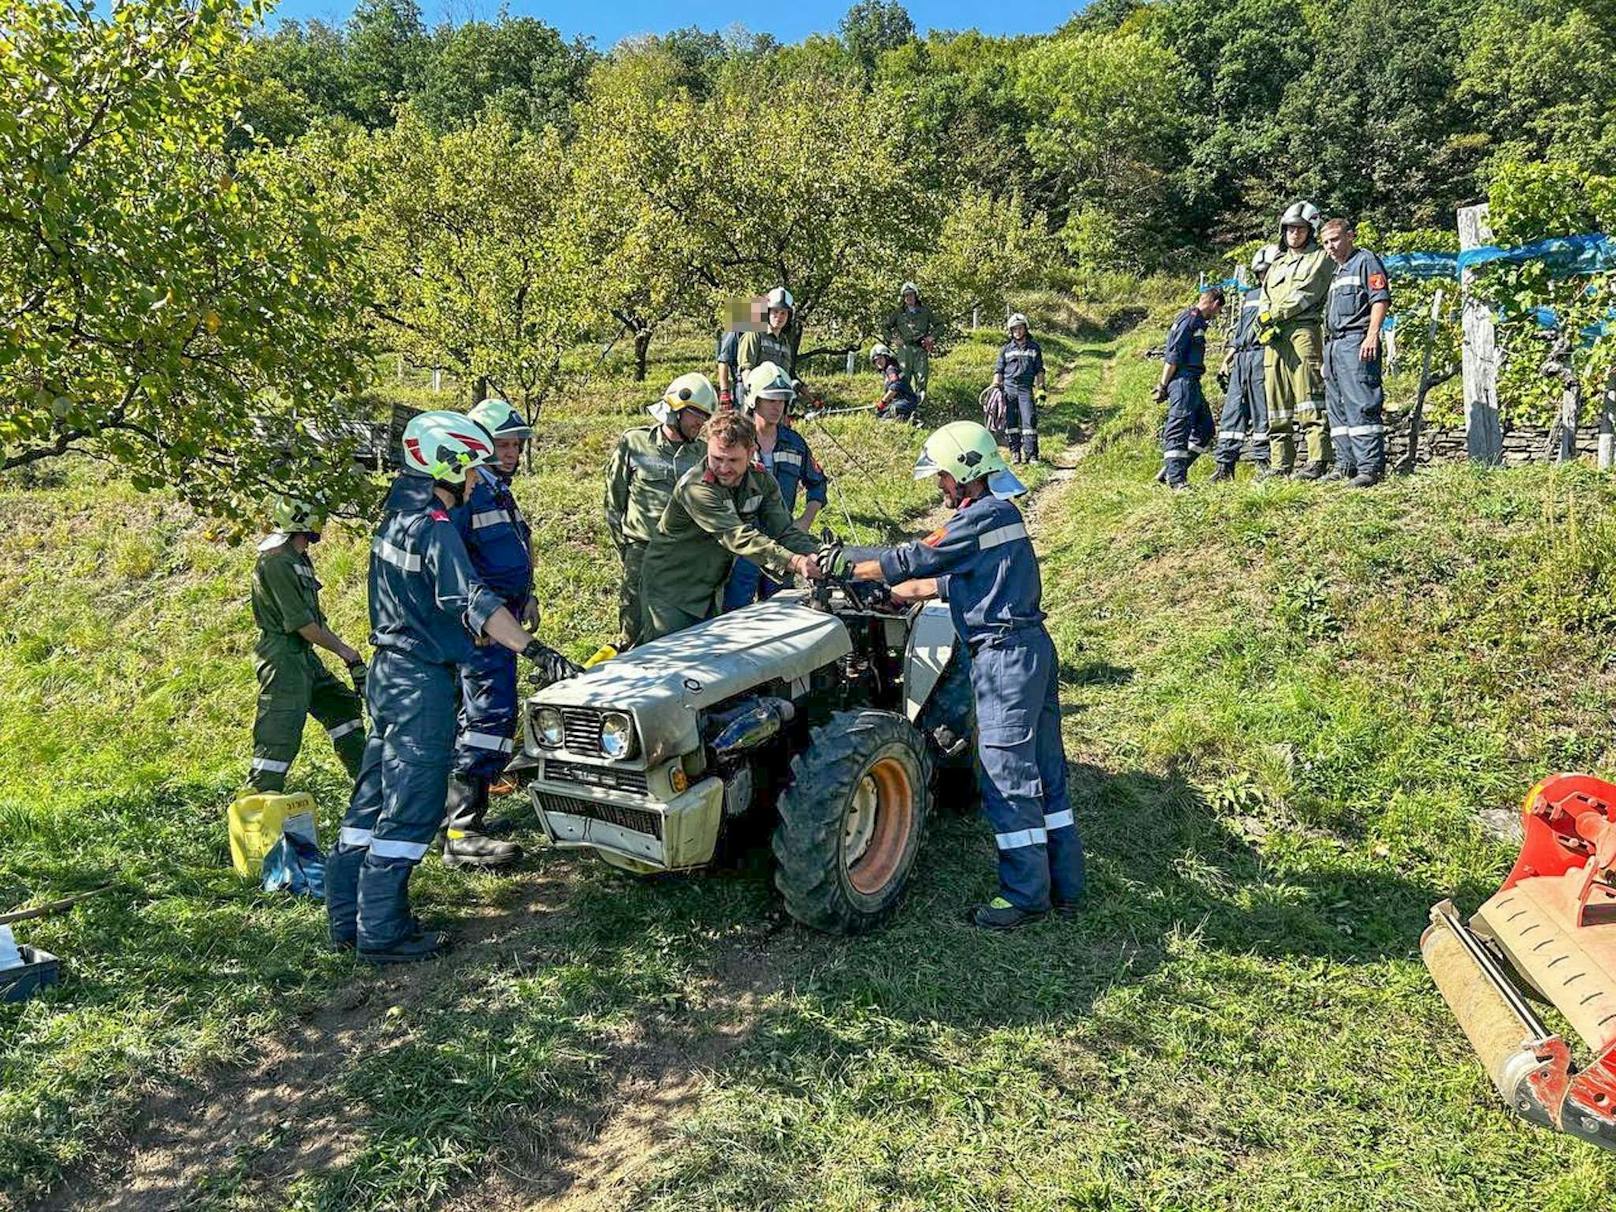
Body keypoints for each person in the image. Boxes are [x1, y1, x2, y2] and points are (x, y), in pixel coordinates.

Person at [326, 410, 578, 964]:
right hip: (420, 682)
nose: (473, 482)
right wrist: (534, 650)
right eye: (469, 471)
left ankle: (347, 915)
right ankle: (384, 932)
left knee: (370, 797)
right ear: (449, 467)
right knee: (413, 806)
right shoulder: (434, 529)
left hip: (389, 673)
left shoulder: (396, 513)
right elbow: (474, 601)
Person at [820, 421, 1084, 930]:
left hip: (1004, 658)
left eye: (942, 476)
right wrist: (905, 594)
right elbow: (950, 577)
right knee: (1046, 770)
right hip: (1031, 650)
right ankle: (1065, 885)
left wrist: (844, 562)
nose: (940, 486)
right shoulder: (1001, 516)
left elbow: (912, 557)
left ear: (965, 472)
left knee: (1007, 776)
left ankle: (1025, 896)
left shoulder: (976, 518)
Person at [442, 397, 537, 871]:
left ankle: (460, 817)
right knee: (486, 722)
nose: (511, 453)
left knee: (482, 719)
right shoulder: (470, 495)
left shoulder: (498, 490)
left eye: (516, 445)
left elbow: (516, 547)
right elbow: (455, 572)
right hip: (484, 631)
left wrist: (530, 597)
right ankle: (462, 829)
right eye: (502, 444)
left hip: (506, 621)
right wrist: (478, 620)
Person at [638, 410, 824, 643]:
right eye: (717, 458)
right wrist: (796, 562)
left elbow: (784, 530)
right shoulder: (697, 487)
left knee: (708, 664)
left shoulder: (761, 481)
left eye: (733, 460)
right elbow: (737, 536)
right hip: (672, 593)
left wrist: (817, 555)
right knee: (669, 665)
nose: (723, 468)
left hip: (710, 589)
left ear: (751, 452)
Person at [246, 493, 367, 793]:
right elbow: (302, 625)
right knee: (280, 731)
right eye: (317, 517)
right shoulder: (276, 562)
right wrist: (345, 652)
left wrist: (343, 649)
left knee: (340, 705)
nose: (322, 523)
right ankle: (260, 800)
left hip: (302, 654)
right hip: (282, 657)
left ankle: (368, 783)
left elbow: (314, 620)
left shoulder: (298, 558)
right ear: (304, 520)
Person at [603, 374, 713, 649]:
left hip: (686, 559)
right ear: (675, 408)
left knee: (684, 636)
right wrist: (627, 550)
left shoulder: (704, 454)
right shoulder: (634, 442)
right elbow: (614, 502)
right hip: (642, 552)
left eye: (705, 417)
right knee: (633, 632)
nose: (700, 423)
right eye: (695, 414)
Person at [723, 362, 829, 611]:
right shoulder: (736, 442)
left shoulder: (794, 442)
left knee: (781, 611)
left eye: (782, 400)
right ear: (754, 400)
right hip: (744, 548)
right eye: (770, 399)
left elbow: (817, 484)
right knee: (735, 612)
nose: (777, 406)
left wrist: (805, 521)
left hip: (783, 541)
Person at [1257, 201, 1333, 479]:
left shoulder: (1320, 258)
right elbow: (1264, 295)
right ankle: (1280, 464)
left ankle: (1318, 459)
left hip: (1302, 331)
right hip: (1275, 337)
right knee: (1276, 401)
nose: (1294, 234)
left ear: (1310, 230)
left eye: (1300, 229)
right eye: (1289, 228)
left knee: (1309, 396)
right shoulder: (1277, 263)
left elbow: (1307, 293)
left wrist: (1274, 314)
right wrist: (1264, 319)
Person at [1320, 218, 1393, 487]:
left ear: (1350, 236)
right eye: (1326, 242)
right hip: (1334, 345)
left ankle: (1370, 467)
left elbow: (1379, 299)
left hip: (1356, 341)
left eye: (1335, 239)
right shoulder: (1336, 272)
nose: (1331, 246)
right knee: (1337, 408)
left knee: (1361, 403)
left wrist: (1372, 334)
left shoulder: (1366, 261)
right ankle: (1345, 463)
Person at [1211, 247, 1275, 481]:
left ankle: (1263, 464)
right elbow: (1240, 332)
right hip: (1241, 358)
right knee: (1232, 412)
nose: (1263, 277)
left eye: (1266, 272)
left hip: (1263, 356)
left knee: (1262, 412)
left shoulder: (1280, 294)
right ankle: (1224, 465)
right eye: (1259, 273)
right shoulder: (1250, 296)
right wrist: (1226, 361)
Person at [1154, 287, 1226, 489]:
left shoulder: (1199, 321)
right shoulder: (1190, 319)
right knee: (1179, 429)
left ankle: (1170, 471)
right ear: (1214, 303)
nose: (1218, 315)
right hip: (1182, 381)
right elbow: (1174, 354)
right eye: (1219, 310)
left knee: (1205, 429)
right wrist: (1163, 385)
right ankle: (1177, 481)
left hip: (1193, 382)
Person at [992, 313, 1047, 465]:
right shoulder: (1006, 349)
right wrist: (996, 386)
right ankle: (1015, 453)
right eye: (1014, 329)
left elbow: (1040, 370)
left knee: (1029, 421)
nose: (1017, 331)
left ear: (1025, 328)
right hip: (1009, 389)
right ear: (1010, 331)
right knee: (1011, 423)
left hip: (1025, 388)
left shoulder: (1034, 348)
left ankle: (1032, 455)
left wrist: (1041, 389)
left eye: (1020, 328)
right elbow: (999, 370)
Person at [735, 287, 799, 410]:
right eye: (775, 312)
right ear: (767, 312)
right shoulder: (754, 334)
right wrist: (752, 400)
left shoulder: (785, 342)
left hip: (776, 401)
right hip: (755, 399)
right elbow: (746, 369)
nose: (779, 317)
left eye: (783, 313)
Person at [885, 281, 937, 402]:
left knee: (921, 378)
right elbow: (885, 327)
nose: (909, 298)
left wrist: (932, 337)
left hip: (920, 350)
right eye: (906, 295)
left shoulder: (925, 311)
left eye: (911, 295)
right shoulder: (899, 313)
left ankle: (921, 406)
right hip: (905, 350)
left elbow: (940, 325)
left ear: (916, 295)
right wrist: (893, 339)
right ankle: (904, 405)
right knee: (903, 379)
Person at [869, 343, 920, 422]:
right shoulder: (887, 371)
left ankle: (910, 418)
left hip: (907, 401)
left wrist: (882, 403)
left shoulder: (891, 370)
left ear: (887, 358)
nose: (878, 362)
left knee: (890, 411)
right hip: (900, 401)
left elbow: (894, 388)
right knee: (880, 414)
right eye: (875, 360)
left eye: (880, 358)